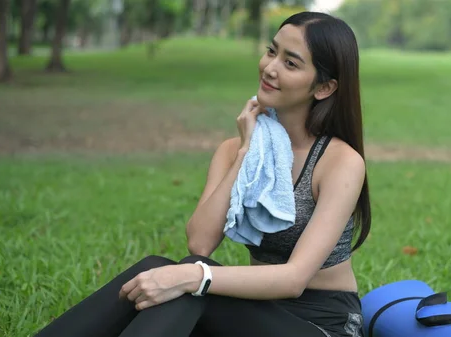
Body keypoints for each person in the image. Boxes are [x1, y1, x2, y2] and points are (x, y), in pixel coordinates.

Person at [33, 11, 371, 337]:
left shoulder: (340, 162)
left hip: (320, 325)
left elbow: (293, 279)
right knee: (168, 274)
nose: (269, 67)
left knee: (184, 281)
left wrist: (193, 277)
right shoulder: (234, 149)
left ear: (324, 88)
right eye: (271, 51)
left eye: (290, 62)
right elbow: (201, 243)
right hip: (249, 312)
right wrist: (245, 152)